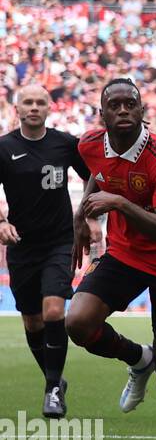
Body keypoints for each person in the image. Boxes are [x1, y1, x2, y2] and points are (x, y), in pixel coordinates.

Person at [66, 78, 156, 440]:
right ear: (103, 114)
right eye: (115, 105)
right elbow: (98, 171)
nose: (124, 110)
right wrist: (82, 214)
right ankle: (136, 358)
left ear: (143, 112)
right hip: (126, 254)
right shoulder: (88, 144)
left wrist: (119, 205)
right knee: (77, 322)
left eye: (131, 104)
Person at [0, 84, 91, 417]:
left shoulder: (65, 144)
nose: (34, 107)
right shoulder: (4, 147)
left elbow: (93, 178)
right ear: (18, 108)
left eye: (40, 102)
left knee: (54, 312)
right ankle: (54, 380)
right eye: (28, 102)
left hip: (60, 241)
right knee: (32, 322)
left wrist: (88, 216)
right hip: (22, 246)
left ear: (49, 108)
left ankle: (52, 388)